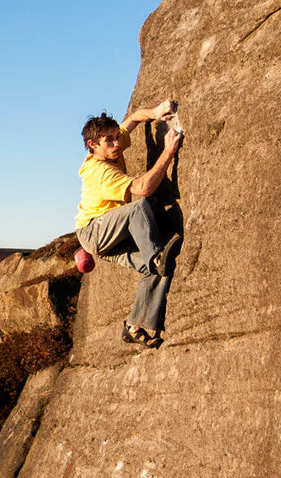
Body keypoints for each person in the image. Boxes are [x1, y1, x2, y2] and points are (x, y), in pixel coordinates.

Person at [74, 101, 183, 348]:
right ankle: (155, 256)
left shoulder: (110, 144)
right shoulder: (100, 171)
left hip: (112, 234)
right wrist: (168, 152)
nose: (117, 144)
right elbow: (143, 188)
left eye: (116, 137)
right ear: (93, 145)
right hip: (95, 232)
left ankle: (134, 326)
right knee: (138, 208)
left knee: (156, 270)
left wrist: (154, 114)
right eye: (110, 141)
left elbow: (134, 118)